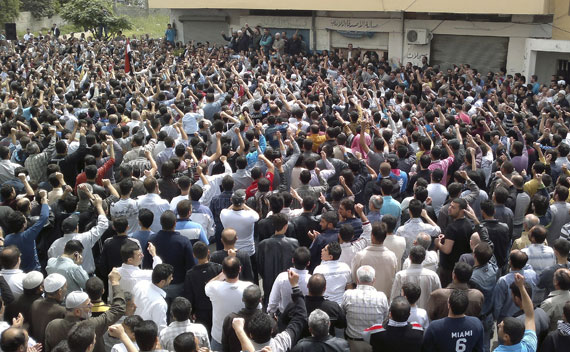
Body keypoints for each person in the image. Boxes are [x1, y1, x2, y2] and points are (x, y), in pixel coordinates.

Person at [44, 269, 126, 352]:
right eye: (88, 305)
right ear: (77, 312)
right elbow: (118, 308)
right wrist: (115, 282)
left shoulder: (52, 326)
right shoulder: (90, 326)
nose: (92, 305)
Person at [48, 195, 109, 276]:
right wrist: (99, 206)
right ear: (76, 228)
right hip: (86, 278)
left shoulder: (55, 244)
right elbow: (103, 224)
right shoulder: (85, 238)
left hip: (65, 280)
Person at [205, 256, 255, 351]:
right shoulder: (249, 287)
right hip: (242, 336)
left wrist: (222, 275)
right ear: (240, 269)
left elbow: (208, 285)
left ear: (223, 271)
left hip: (219, 336)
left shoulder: (214, 288)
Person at [146, 211, 195, 305]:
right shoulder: (184, 241)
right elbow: (190, 265)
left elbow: (147, 263)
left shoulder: (151, 240)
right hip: (178, 283)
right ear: (175, 223)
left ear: (161, 223)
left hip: (158, 283)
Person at [342, 265, 388, 351]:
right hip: (374, 343)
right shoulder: (382, 297)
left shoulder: (348, 295)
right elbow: (385, 318)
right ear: (374, 280)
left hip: (353, 342)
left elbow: (343, 314)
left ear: (357, 280)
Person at [257, 213, 299, 307]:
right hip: (288, 282)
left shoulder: (263, 245)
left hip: (269, 283)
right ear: (286, 226)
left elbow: (259, 266)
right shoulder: (294, 243)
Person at [4, 189, 49, 272]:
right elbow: (44, 217)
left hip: (19, 270)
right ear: (24, 225)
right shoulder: (28, 235)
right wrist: (44, 199)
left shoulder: (7, 239)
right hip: (34, 270)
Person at [183, 241, 221, 334]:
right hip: (217, 308)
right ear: (208, 252)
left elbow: (189, 295)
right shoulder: (218, 269)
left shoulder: (190, 274)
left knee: (204, 335)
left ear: (194, 255)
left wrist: (191, 312)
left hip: (200, 311)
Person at [351, 222, 397, 299]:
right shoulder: (392, 256)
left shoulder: (360, 256)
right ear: (385, 236)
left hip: (364, 299)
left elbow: (354, 278)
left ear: (372, 236)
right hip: (385, 300)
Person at [435, 198, 473, 288]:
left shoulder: (452, 227)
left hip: (449, 269)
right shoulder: (468, 224)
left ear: (462, 211)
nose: (449, 208)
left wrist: (438, 243)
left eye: (453, 207)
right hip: (462, 267)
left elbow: (447, 250)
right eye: (450, 206)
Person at [495, 274, 538, 352]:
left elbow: (529, 315)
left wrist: (521, 286)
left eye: (501, 326)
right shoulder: (529, 346)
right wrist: (521, 287)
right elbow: (529, 315)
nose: (498, 325)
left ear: (506, 337)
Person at [267, 247, 312, 315]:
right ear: (308, 263)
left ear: (292, 260)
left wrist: (271, 314)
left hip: (284, 316)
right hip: (304, 317)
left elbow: (273, 302)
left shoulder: (282, 277)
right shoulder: (311, 280)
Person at [132, 264, 174, 333]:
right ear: (162, 282)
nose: (172, 279)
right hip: (146, 336)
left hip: (134, 328)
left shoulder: (140, 284)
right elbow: (160, 329)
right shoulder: (160, 303)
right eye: (170, 278)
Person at [29, 273, 67, 345]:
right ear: (59, 292)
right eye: (66, 287)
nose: (66, 290)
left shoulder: (35, 304)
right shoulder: (62, 311)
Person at [221, 285, 262, 352]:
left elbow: (225, 346)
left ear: (243, 299)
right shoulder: (265, 321)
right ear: (260, 300)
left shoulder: (230, 319)